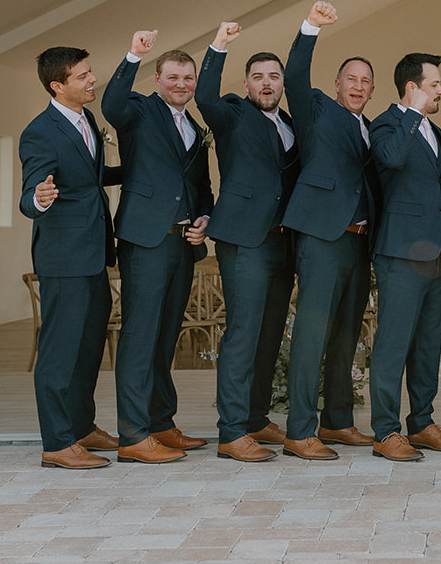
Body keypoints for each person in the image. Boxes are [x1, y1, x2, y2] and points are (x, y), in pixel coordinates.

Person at [101, 32, 214, 465]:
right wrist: (133, 53)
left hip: (182, 246)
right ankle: (132, 434)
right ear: (157, 79)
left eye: (188, 77)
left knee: (166, 337)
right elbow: (110, 103)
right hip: (145, 241)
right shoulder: (139, 111)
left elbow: (200, 187)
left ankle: (161, 423)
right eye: (173, 77)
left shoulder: (197, 128)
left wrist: (206, 217)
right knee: (140, 337)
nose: (182, 84)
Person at [194, 23, 299, 464]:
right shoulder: (233, 114)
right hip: (244, 242)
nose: (267, 83)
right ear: (246, 84)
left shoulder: (292, 124)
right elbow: (203, 98)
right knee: (242, 333)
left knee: (270, 333)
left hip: (282, 243)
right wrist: (218, 46)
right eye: (258, 76)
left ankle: (256, 418)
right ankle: (232, 431)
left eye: (274, 76)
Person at [280, 1, 379, 460]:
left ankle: (337, 421)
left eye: (365, 82)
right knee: (313, 333)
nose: (358, 87)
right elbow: (295, 75)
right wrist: (310, 28)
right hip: (323, 237)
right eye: (351, 79)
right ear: (337, 84)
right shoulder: (317, 108)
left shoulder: (372, 128)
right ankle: (300, 431)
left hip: (360, 242)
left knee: (345, 335)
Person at [19, 46, 121, 470]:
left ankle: (81, 427)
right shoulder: (39, 132)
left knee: (88, 347)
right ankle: (58, 443)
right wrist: (39, 198)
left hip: (95, 254)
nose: (92, 79)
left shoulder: (88, 120)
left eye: (90, 72)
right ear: (57, 86)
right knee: (60, 351)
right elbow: (30, 193)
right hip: (64, 257)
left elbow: (91, 178)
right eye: (82, 76)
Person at [369, 53, 441, 462]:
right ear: (412, 87)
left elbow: (439, 194)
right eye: (435, 84)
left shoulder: (436, 131)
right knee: (393, 343)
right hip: (398, 251)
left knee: (428, 345)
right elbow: (390, 158)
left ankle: (422, 423)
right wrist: (411, 114)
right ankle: (385, 431)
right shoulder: (387, 123)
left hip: (434, 254)